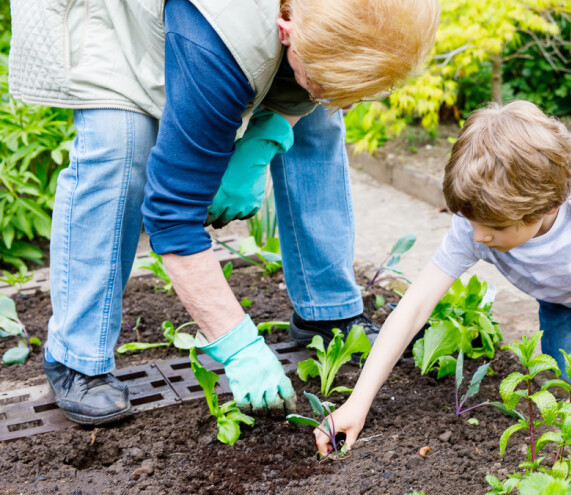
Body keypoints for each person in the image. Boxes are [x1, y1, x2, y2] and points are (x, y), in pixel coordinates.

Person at [8, 0, 439, 425]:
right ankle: (77, 356)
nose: (342, 101)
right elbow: (172, 217)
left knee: (320, 118)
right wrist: (238, 345)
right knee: (120, 144)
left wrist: (269, 135)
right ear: (286, 28)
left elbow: (315, 73)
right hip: (114, 13)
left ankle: (327, 313)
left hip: (249, 30)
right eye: (322, 83)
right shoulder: (217, 39)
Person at [315, 100, 571, 455]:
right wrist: (357, 403)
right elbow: (414, 308)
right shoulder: (479, 220)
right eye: (472, 223)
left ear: (548, 207)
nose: (479, 237)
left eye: (495, 228)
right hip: (561, 297)